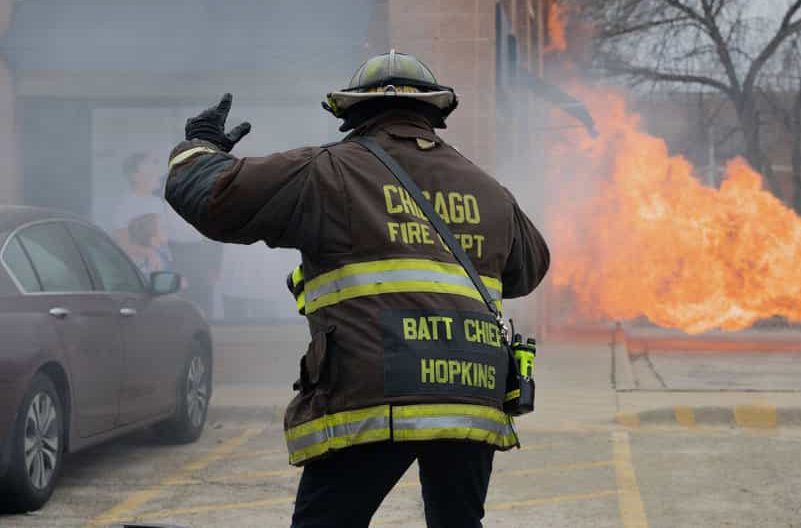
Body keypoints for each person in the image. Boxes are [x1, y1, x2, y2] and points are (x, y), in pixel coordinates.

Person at [164, 51, 550, 528]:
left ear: (351, 115)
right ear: (435, 114)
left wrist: (200, 146)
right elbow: (529, 268)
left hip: (370, 389)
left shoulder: (329, 173)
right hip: (469, 392)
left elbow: (208, 197)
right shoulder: (489, 191)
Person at [114, 152, 170, 272]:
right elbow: (122, 245)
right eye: (149, 169)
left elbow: (163, 237)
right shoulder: (125, 205)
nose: (156, 173)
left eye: (155, 168)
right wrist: (148, 253)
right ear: (134, 176)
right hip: (137, 271)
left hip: (160, 265)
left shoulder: (157, 202)